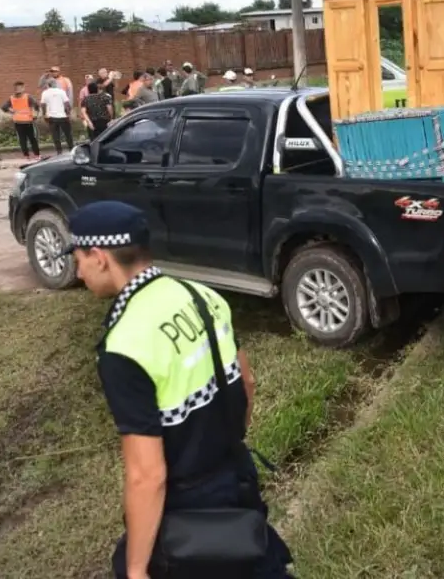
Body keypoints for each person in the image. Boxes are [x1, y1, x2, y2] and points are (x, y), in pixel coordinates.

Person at [64, 201, 293, 579]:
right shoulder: (199, 294)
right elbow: (245, 380)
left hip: (188, 504)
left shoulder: (124, 344)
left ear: (100, 257)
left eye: (78, 258)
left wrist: (136, 571)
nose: (78, 269)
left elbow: (146, 474)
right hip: (237, 475)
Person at [2, 81, 42, 160]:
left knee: (22, 139)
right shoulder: (28, 97)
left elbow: (3, 107)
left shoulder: (11, 98)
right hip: (28, 121)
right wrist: (35, 115)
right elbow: (37, 105)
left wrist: (11, 112)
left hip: (17, 121)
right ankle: (37, 155)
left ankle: (26, 156)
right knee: (32, 138)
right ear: (23, 88)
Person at [41, 78, 74, 155]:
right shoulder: (61, 91)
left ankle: (59, 152)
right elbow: (67, 104)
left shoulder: (45, 93)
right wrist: (68, 113)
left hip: (51, 117)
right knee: (68, 134)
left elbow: (43, 105)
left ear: (48, 85)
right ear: (55, 84)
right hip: (63, 116)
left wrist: (44, 114)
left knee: (55, 136)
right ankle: (71, 149)